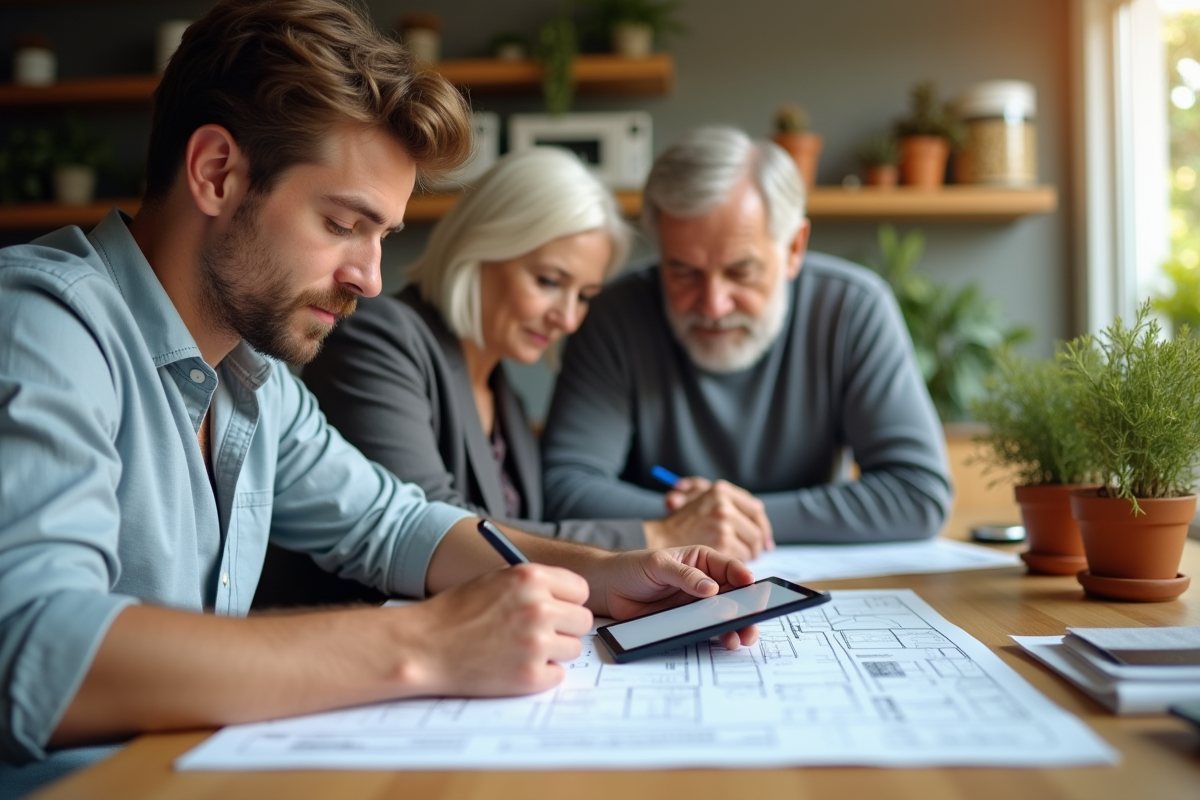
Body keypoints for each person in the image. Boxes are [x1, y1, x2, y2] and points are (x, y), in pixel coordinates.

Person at [0, 5, 756, 793]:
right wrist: (429, 643)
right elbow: (37, 650)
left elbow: (394, 524)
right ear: (216, 173)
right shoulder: (41, 326)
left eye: (382, 237)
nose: (369, 278)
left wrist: (604, 574)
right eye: (341, 223)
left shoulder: (255, 382)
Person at [281, 148, 772, 594]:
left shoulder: (504, 393)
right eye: (549, 281)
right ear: (479, 249)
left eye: (584, 296)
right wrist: (657, 534)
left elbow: (532, 525)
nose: (568, 319)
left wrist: (673, 512)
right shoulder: (380, 336)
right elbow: (434, 525)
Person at [541, 126, 953, 543]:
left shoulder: (852, 310)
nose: (713, 305)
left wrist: (725, 520)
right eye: (684, 272)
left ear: (794, 248)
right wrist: (684, 524)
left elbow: (918, 493)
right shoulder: (613, 315)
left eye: (741, 271)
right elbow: (564, 488)